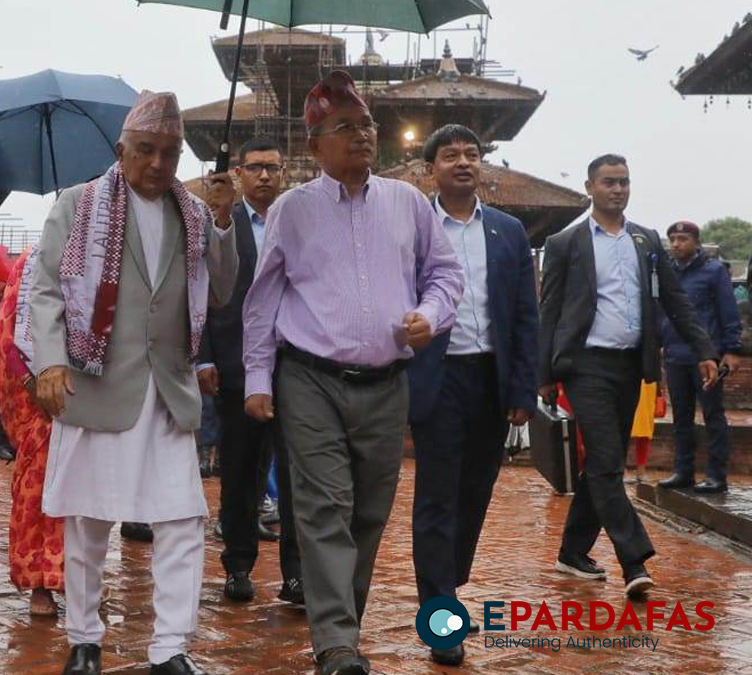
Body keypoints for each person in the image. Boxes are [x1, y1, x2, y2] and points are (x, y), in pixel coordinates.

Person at [242, 71, 463, 675]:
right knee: (323, 508)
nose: (362, 135)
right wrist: (258, 379)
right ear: (315, 145)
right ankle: (337, 645)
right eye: (345, 127)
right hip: (309, 379)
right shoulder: (291, 211)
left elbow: (445, 275)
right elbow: (262, 302)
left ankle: (342, 622)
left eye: (366, 124)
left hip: (388, 384)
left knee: (368, 514)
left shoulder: (410, 204)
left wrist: (431, 314)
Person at [29, 90, 238, 675]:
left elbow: (219, 291)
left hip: (168, 391)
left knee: (181, 520)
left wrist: (223, 220)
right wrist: (49, 361)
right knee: (89, 522)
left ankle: (171, 648)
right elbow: (43, 288)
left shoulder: (195, 214)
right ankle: (84, 639)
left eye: (170, 154)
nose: (157, 164)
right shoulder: (79, 204)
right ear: (121, 149)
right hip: (95, 383)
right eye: (145, 151)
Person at [538, 154, 718, 600]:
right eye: (609, 182)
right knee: (606, 461)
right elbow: (549, 312)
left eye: (624, 182)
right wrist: (542, 373)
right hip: (585, 366)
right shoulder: (567, 242)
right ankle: (633, 559)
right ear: (590, 187)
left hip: (630, 367)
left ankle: (572, 552)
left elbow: (675, 302)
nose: (618, 189)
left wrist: (705, 350)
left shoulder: (647, 242)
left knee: (602, 462)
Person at [406, 124, 538, 667]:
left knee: (474, 493)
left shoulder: (508, 231)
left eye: (472, 153)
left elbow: (526, 315)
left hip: (491, 379)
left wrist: (523, 387)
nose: (463, 161)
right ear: (430, 169)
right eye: (450, 155)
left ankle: (447, 576)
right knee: (437, 496)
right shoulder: (414, 230)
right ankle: (442, 617)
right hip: (437, 377)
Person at [196, 136, 303, 606]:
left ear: (284, 174)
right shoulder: (216, 224)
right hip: (236, 366)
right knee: (240, 474)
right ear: (237, 174)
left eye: (273, 168)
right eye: (255, 167)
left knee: (300, 478)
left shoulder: (301, 223)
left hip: (297, 366)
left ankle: (296, 575)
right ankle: (238, 565)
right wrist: (203, 356)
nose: (265, 176)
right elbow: (197, 291)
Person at [0, 246, 64, 617]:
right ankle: (40, 581)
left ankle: (81, 576)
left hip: (91, 388)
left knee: (88, 489)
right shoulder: (33, 261)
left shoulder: (106, 256)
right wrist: (32, 381)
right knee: (37, 487)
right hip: (36, 390)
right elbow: (11, 332)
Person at [657, 221, 741, 494]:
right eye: (672, 239)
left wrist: (731, 350)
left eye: (682, 239)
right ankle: (683, 471)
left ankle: (717, 475)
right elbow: (661, 310)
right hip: (675, 354)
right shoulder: (666, 271)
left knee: (713, 415)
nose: (676, 244)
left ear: (696, 242)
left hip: (706, 356)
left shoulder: (713, 271)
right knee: (680, 418)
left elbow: (728, 311)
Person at [626, 381, 659, 485]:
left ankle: (641, 471)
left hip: (646, 380)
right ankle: (622, 470)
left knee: (644, 428)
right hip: (624, 376)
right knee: (622, 425)